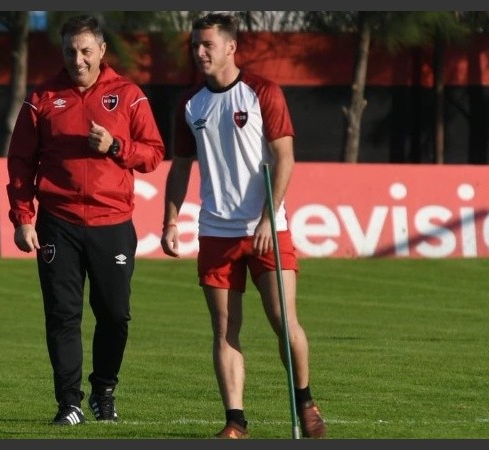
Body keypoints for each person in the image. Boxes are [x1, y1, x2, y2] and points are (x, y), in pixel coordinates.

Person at [160, 13, 327, 439]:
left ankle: (305, 401)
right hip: (216, 232)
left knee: (282, 320)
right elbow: (180, 166)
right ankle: (236, 421)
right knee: (224, 330)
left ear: (231, 47)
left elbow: (284, 158)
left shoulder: (263, 92)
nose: (199, 52)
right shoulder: (189, 103)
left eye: (207, 45)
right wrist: (170, 219)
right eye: (194, 45)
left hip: (268, 227)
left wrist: (270, 219)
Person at [6, 14, 165, 426]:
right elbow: (20, 162)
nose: (77, 59)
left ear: (101, 52)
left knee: (115, 314)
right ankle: (69, 403)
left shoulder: (128, 96)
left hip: (112, 224)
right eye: (70, 51)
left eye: (85, 51)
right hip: (57, 222)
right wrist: (24, 218)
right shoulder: (43, 97)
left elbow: (153, 153)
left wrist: (116, 146)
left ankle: (104, 390)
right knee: (62, 314)